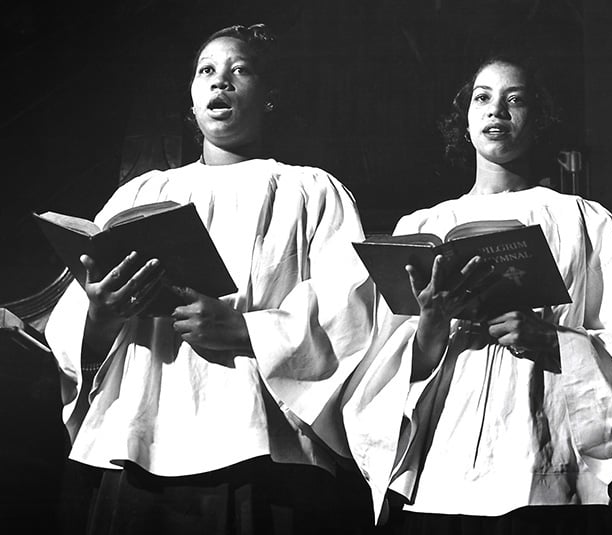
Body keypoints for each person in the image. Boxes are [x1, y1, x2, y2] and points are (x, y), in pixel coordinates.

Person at [45, 24, 375, 535]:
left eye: (239, 70)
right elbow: (73, 320)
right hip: (138, 440)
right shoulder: (143, 192)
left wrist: (247, 331)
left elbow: (352, 314)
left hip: (261, 445)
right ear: (193, 99)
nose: (220, 82)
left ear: (270, 98)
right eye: (207, 72)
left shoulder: (310, 189)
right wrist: (102, 311)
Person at [341, 54, 612, 534]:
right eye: (482, 98)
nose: (496, 111)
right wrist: (432, 323)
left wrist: (552, 339)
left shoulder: (584, 220)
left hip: (540, 456)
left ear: (538, 121)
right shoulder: (421, 227)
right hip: (445, 462)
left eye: (515, 100)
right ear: (465, 123)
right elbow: (383, 369)